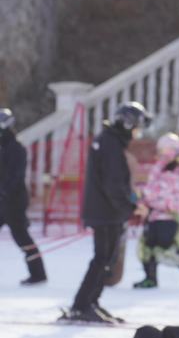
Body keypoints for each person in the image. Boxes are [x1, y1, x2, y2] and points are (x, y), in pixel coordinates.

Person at [60, 102, 151, 324]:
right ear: (127, 124)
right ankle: (81, 305)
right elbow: (113, 184)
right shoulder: (110, 143)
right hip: (105, 211)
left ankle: (91, 302)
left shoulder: (110, 141)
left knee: (106, 260)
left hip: (106, 210)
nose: (137, 132)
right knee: (101, 259)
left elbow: (114, 181)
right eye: (136, 127)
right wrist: (131, 207)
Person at [133, 132, 179, 289]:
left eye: (166, 150)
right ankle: (150, 278)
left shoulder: (175, 171)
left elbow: (162, 193)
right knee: (147, 247)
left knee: (165, 249)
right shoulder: (159, 167)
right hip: (153, 216)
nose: (163, 153)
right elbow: (152, 188)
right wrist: (143, 202)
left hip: (167, 218)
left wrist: (145, 197)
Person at [0, 108, 47, 286]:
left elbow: (14, 175)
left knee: (22, 237)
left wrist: (3, 191)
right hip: (3, 199)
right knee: (22, 236)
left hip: (13, 201)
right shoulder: (3, 146)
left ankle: (38, 273)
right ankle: (38, 273)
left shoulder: (16, 147)